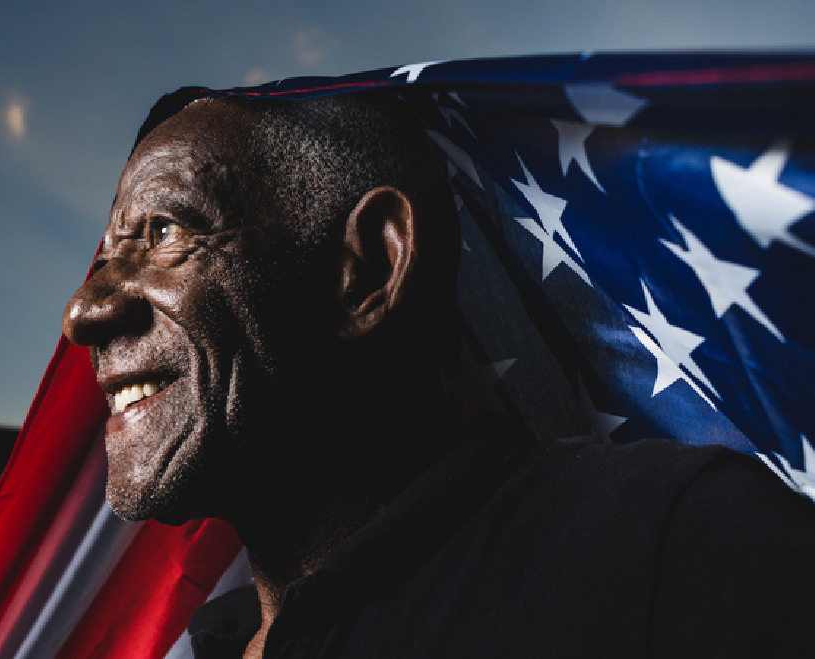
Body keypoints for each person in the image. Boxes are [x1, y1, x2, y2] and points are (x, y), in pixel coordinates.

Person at [62, 94, 815, 658]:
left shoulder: (670, 542)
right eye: (103, 260)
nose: (82, 310)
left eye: (164, 232)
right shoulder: (199, 648)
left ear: (368, 267)